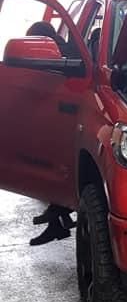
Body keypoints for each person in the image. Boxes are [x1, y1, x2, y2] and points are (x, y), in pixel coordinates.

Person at [25, 22, 76, 247]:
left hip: (63, 121)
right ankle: (58, 219)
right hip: (62, 119)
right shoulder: (65, 49)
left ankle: (58, 216)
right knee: (56, 170)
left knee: (54, 169)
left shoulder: (57, 56)